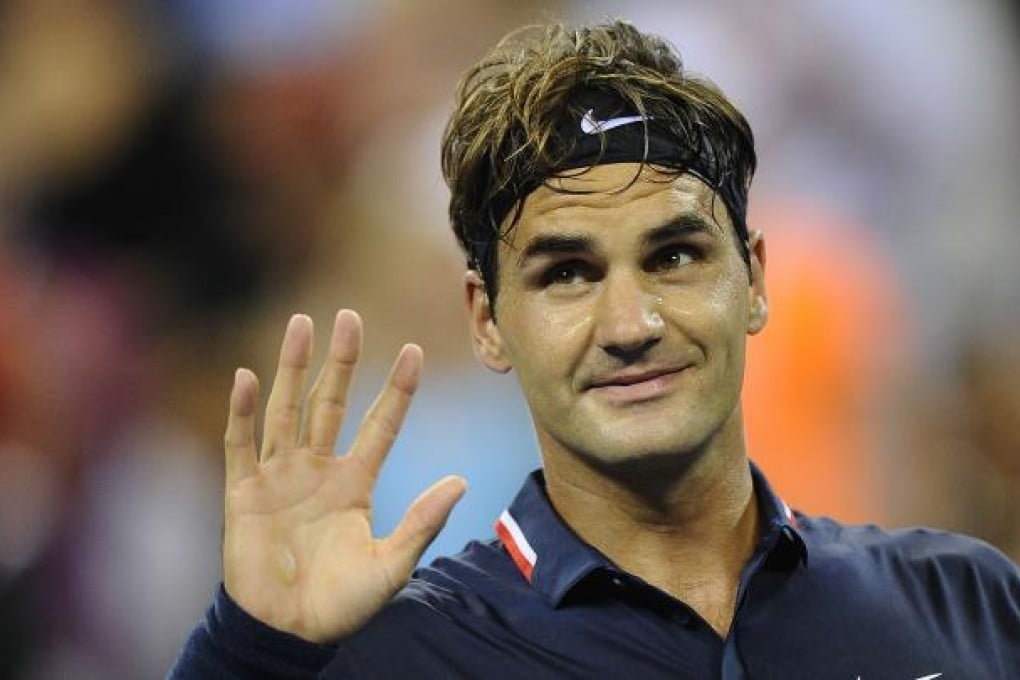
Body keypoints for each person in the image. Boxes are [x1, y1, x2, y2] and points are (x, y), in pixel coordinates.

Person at [171, 20, 1019, 679]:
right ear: (487, 322)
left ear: (755, 280)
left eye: (675, 256)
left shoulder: (968, 603)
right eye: (568, 273)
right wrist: (249, 654)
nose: (630, 324)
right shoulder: (394, 657)